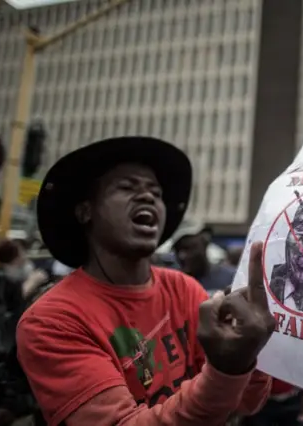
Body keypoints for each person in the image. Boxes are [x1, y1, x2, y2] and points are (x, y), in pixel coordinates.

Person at [16, 136, 275, 425]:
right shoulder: (53, 321)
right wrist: (226, 369)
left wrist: (251, 355)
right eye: (127, 187)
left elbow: (244, 404)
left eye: (156, 192)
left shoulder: (184, 289)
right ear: (85, 211)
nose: (148, 196)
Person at [172, 218, 236, 294]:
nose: (182, 256)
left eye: (189, 248)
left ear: (205, 244)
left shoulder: (230, 278)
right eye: (177, 250)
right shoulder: (172, 283)